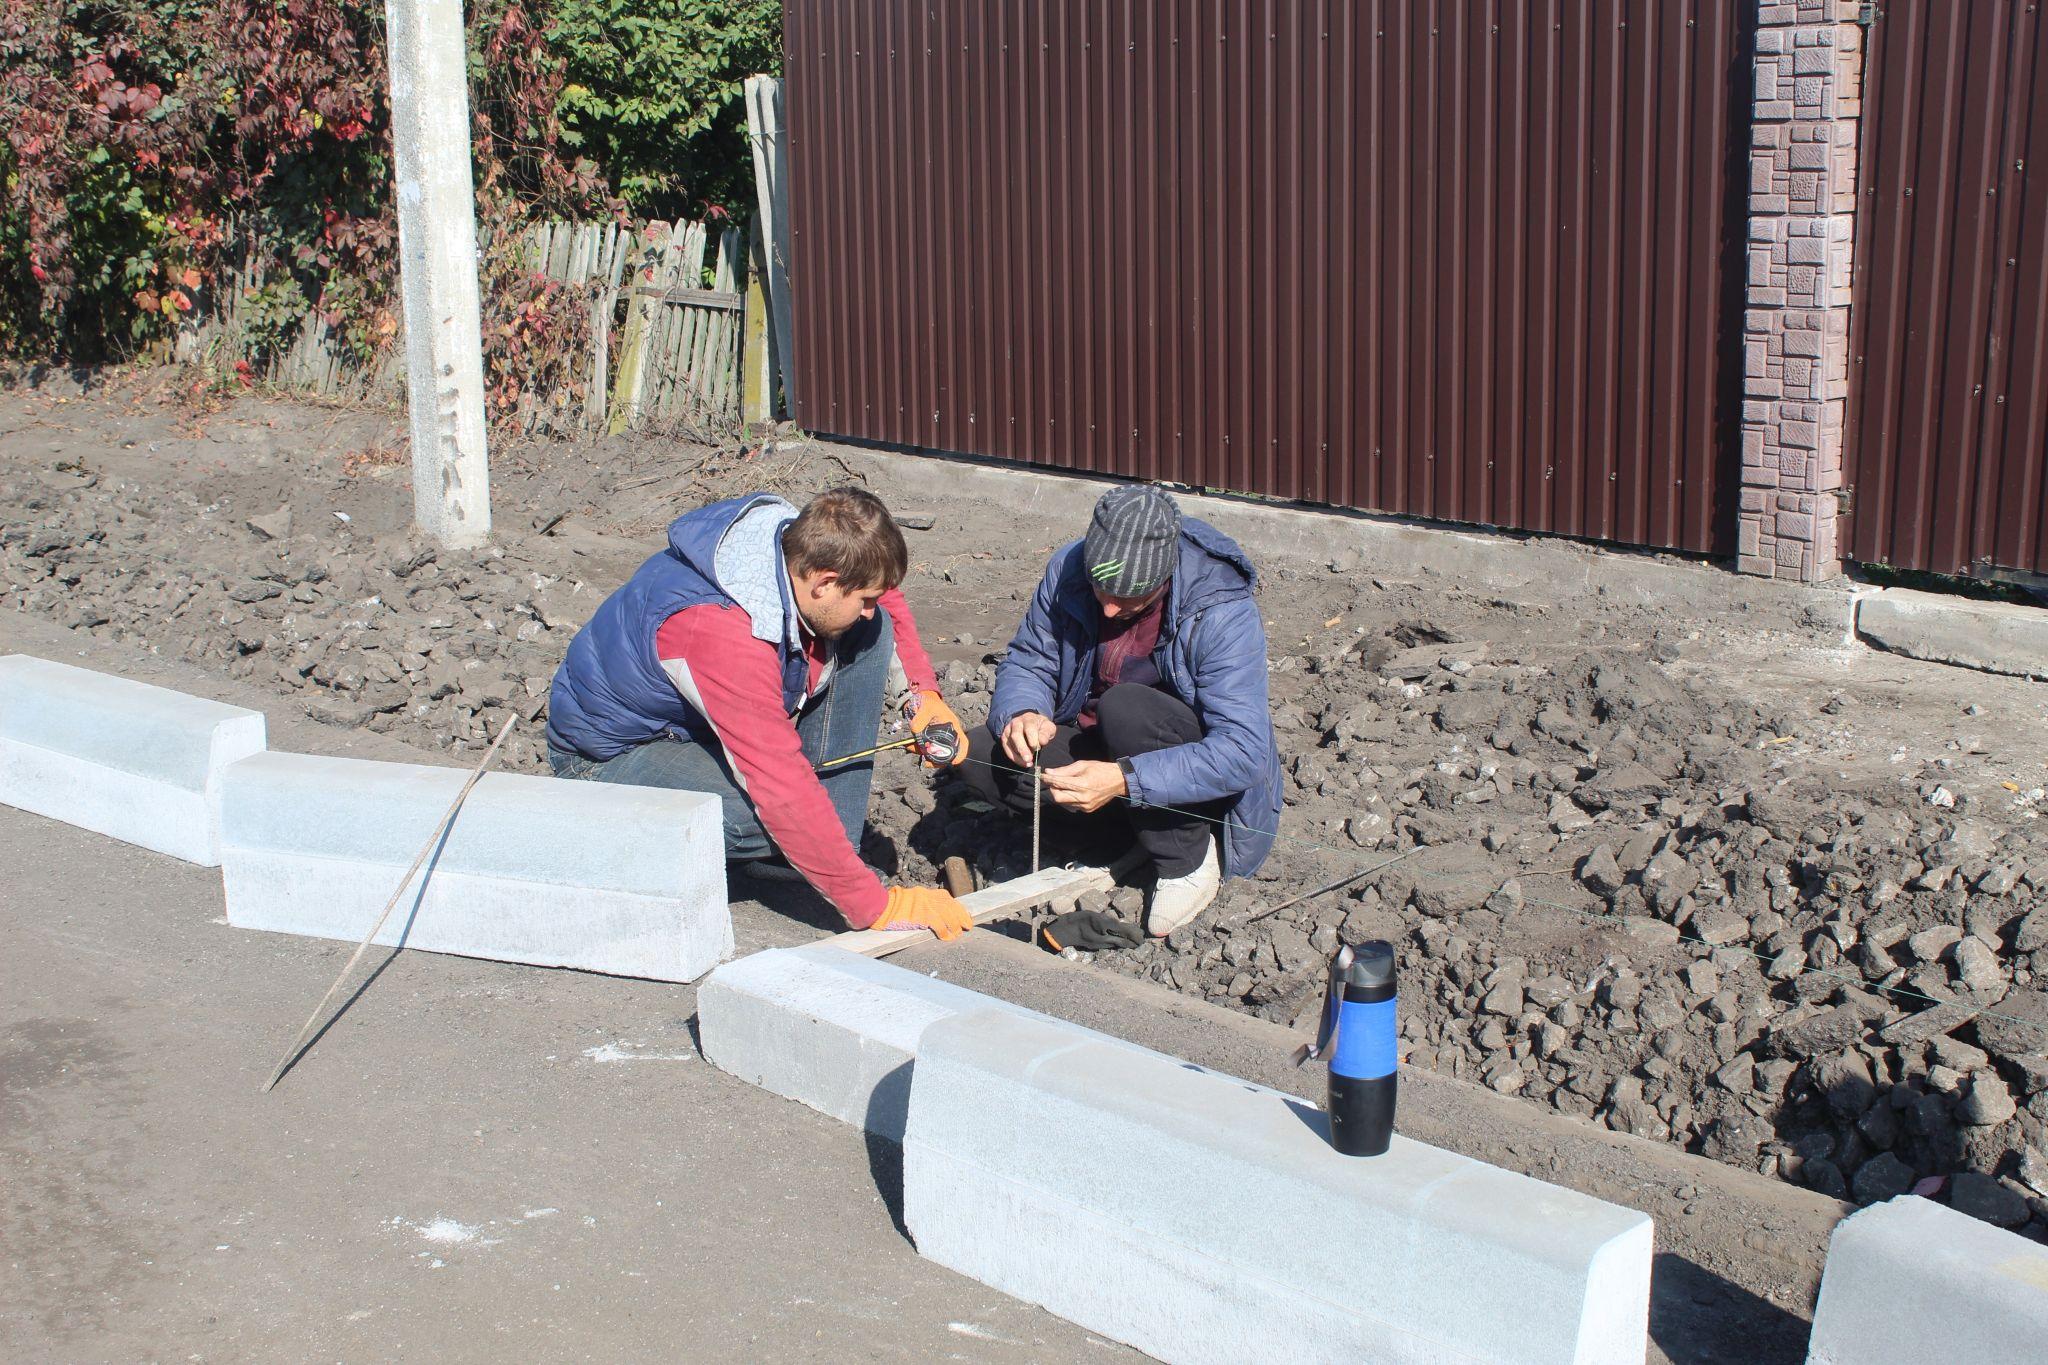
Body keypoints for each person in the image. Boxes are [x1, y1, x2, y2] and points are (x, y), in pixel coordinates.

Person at [545, 486, 975, 939]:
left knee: (871, 632)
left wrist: (924, 695)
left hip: (689, 728)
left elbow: (880, 594)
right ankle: (813, 862)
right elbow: (778, 782)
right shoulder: (718, 631)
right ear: (824, 584)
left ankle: (823, 854)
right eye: (862, 598)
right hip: (609, 755)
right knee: (764, 815)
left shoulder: (796, 546)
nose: (871, 608)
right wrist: (876, 907)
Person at [964, 484, 1283, 938]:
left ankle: (1185, 859)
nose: (1110, 607)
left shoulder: (1220, 609)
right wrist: (1025, 711)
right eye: (1101, 589)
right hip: (1106, 758)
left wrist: (1124, 780)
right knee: (980, 753)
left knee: (1125, 707)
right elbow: (1032, 658)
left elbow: (1243, 752)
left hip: (1183, 773)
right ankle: (1118, 845)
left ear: (1165, 576)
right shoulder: (1069, 570)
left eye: (1130, 596)